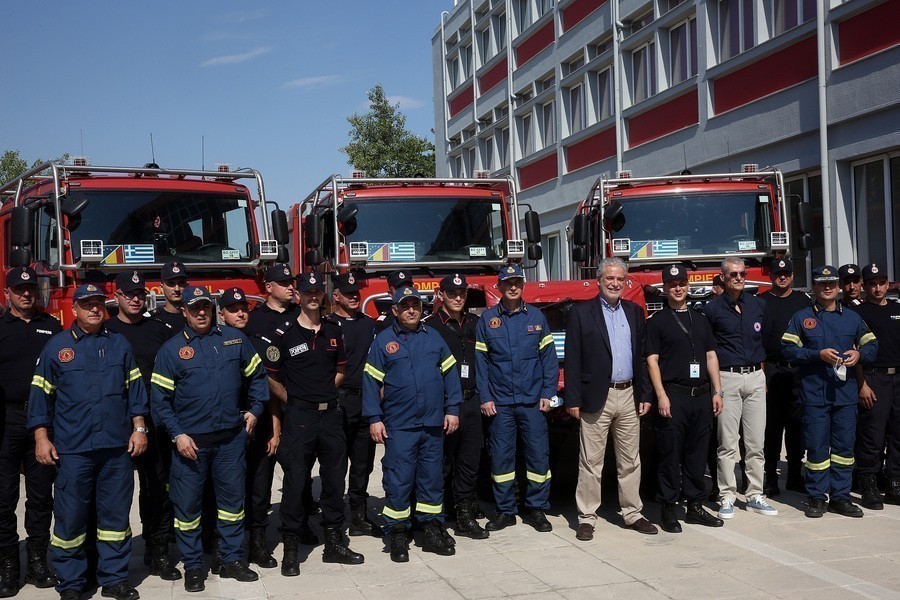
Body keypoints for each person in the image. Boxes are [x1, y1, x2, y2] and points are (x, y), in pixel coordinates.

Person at [28, 284, 148, 600]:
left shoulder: (120, 344)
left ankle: (114, 580)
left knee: (115, 519)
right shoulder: (57, 347)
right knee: (69, 520)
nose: (94, 309)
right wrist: (42, 438)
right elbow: (39, 397)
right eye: (87, 304)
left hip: (115, 449)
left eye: (98, 303)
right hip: (73, 450)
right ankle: (70, 583)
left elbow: (136, 392)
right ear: (76, 309)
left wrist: (139, 428)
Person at [151, 286, 268, 592]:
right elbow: (160, 400)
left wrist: (255, 409)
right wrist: (177, 435)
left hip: (231, 440)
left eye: (205, 307)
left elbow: (257, 375)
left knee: (232, 504)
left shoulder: (233, 339)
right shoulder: (171, 350)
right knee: (188, 509)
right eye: (194, 308)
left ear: (212, 308)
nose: (201, 313)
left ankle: (231, 560)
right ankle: (193, 566)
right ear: (184, 312)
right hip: (192, 445)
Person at [266, 272, 363, 576]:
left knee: (335, 481)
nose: (312, 296)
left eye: (317, 292)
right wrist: (296, 399)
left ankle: (334, 543)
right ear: (298, 295)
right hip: (300, 418)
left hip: (331, 415)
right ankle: (291, 548)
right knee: (295, 483)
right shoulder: (284, 333)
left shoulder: (334, 329)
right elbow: (271, 376)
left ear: (323, 296)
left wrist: (325, 392)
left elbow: (341, 370)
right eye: (306, 292)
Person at [363, 286, 462, 562]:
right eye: (405, 306)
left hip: (432, 424)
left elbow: (451, 375)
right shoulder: (383, 341)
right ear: (394, 310)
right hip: (400, 425)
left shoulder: (435, 339)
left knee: (432, 480)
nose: (411, 310)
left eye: (415, 306)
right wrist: (374, 418)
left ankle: (431, 529)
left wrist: (452, 409)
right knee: (399, 480)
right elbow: (371, 382)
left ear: (422, 309)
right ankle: (397, 533)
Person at [564, 258, 657, 540]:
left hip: (629, 394)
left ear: (625, 282)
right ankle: (587, 517)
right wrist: (572, 399)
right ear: (599, 281)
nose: (615, 283)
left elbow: (641, 357)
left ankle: (632, 513)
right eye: (609, 279)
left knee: (630, 459)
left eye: (620, 279)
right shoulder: (581, 313)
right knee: (591, 462)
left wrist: (645, 393)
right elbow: (572, 358)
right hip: (596, 396)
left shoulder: (634, 311)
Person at [782, 265, 877, 518]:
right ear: (814, 287)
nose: (827, 288)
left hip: (845, 396)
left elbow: (871, 343)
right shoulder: (802, 317)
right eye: (822, 284)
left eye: (832, 284)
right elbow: (788, 351)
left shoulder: (853, 317)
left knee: (844, 450)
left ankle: (841, 497)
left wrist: (860, 354)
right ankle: (816, 497)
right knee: (816, 449)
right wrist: (817, 355)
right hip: (814, 396)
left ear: (838, 287)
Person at [105, 271, 180, 581]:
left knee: (156, 489)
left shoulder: (158, 330)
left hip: (154, 421)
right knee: (113, 493)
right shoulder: (105, 330)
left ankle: (158, 550)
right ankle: (107, 557)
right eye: (127, 293)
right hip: (113, 424)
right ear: (117, 296)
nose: (134, 298)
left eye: (138, 293)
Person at [475, 265, 558, 532]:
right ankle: (505, 511)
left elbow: (549, 360)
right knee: (501, 460)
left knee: (538, 459)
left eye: (518, 282)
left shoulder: (536, 317)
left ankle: (536, 509)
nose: (513, 287)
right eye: (508, 282)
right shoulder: (487, 320)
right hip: (500, 404)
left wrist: (549, 393)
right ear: (499, 287)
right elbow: (482, 364)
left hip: (533, 401)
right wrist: (485, 397)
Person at [647, 264, 725, 533]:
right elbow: (652, 361)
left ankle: (695, 506)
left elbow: (711, 356)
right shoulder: (657, 322)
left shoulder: (700, 318)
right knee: (670, 455)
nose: (677, 288)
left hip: (701, 396)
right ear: (665, 288)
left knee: (697, 454)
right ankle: (668, 508)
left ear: (688, 286)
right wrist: (661, 395)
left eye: (681, 283)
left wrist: (717, 390)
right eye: (672, 284)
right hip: (674, 396)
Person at [244, 264, 318, 544]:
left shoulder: (302, 316)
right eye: (283, 282)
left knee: (299, 472)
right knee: (260, 474)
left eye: (292, 282)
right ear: (268, 288)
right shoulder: (253, 321)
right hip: (265, 407)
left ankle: (299, 525)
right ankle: (257, 534)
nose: (291, 287)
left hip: (298, 406)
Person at [0, 267, 61, 597]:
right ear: (7, 293)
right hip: (6, 422)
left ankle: (38, 561)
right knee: (3, 499)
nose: (26, 294)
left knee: (40, 498)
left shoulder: (52, 328)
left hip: (44, 423)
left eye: (30, 289)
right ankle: (8, 565)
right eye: (19, 289)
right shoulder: (0, 328)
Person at [703, 257, 776, 519]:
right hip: (727, 378)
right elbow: (708, 350)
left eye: (742, 273)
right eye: (733, 274)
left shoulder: (759, 305)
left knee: (756, 442)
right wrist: (717, 388)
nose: (738, 277)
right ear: (722, 277)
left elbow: (763, 343)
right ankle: (726, 496)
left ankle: (755, 494)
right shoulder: (712, 309)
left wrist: (762, 378)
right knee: (727, 444)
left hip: (755, 377)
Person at [217, 288, 281, 569]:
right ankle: (225, 548)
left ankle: (257, 545)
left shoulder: (260, 344)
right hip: (225, 429)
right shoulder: (212, 343)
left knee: (259, 491)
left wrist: (275, 431)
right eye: (233, 309)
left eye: (243, 307)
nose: (240, 313)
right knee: (225, 491)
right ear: (222, 315)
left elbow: (274, 393)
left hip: (261, 426)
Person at [424, 274, 489, 539]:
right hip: (444, 405)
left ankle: (464, 514)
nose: (458, 298)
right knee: (442, 464)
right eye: (452, 293)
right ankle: (438, 515)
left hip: (471, 400)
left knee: (469, 461)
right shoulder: (430, 326)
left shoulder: (476, 323)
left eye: (462, 293)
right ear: (441, 296)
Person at [324, 271, 380, 537]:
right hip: (338, 401)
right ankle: (332, 519)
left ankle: (358, 517)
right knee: (335, 464)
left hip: (365, 402)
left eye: (356, 292)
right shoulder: (327, 325)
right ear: (336, 296)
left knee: (363, 464)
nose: (354, 296)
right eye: (348, 293)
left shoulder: (369, 324)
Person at [757, 258, 811, 496]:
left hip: (798, 370)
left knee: (797, 425)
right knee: (772, 427)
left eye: (787, 273)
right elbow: (754, 339)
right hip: (772, 368)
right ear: (771, 276)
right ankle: (769, 477)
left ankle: (794, 475)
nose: (782, 277)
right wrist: (761, 371)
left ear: (792, 275)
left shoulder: (803, 301)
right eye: (778, 273)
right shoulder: (761, 302)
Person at [850, 263, 900, 509]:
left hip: (898, 378)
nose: (878, 288)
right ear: (865, 286)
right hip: (874, 378)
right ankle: (868, 483)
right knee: (873, 435)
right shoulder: (858, 312)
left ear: (888, 284)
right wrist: (862, 384)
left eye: (881, 283)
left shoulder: (897, 309)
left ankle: (894, 484)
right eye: (872, 283)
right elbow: (856, 351)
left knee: (898, 435)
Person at [149, 261, 188, 332]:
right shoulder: (151, 319)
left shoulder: (194, 316)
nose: (177, 289)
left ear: (187, 285)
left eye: (181, 283)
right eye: (171, 284)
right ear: (161, 287)